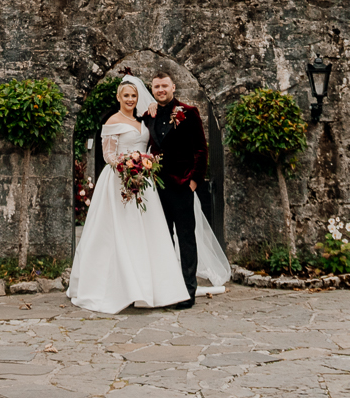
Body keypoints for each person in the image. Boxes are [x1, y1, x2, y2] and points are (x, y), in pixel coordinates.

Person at [67, 75, 191, 314]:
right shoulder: (112, 121)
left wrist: (143, 164)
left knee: (147, 234)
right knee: (120, 232)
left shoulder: (143, 119)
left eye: (134, 95)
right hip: (119, 182)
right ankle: (122, 287)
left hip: (144, 183)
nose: (131, 99)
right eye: (126, 95)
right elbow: (108, 156)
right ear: (118, 97)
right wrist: (127, 165)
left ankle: (149, 288)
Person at [143, 73, 230, 304]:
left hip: (182, 186)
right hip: (156, 188)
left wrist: (193, 182)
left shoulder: (188, 112)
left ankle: (188, 292)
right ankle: (167, 289)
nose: (161, 90)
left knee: (186, 239)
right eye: (156, 86)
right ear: (152, 89)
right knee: (162, 239)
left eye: (164, 86)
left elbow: (201, 149)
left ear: (173, 86)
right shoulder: (147, 115)